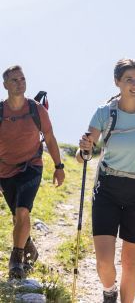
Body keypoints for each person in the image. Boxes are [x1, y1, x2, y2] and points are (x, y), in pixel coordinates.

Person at [77, 58, 135, 303]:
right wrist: (84, 148)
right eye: (129, 79)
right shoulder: (104, 113)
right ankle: (109, 290)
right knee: (104, 261)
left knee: (130, 260)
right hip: (107, 189)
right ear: (117, 82)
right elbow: (84, 153)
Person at [0, 65, 65, 279]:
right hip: (5, 170)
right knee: (16, 217)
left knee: (22, 212)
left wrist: (59, 166)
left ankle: (16, 261)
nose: (20, 83)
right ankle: (30, 250)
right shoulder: (1, 111)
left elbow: (50, 137)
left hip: (31, 166)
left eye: (22, 79)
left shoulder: (36, 109)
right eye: (14, 80)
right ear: (5, 85)